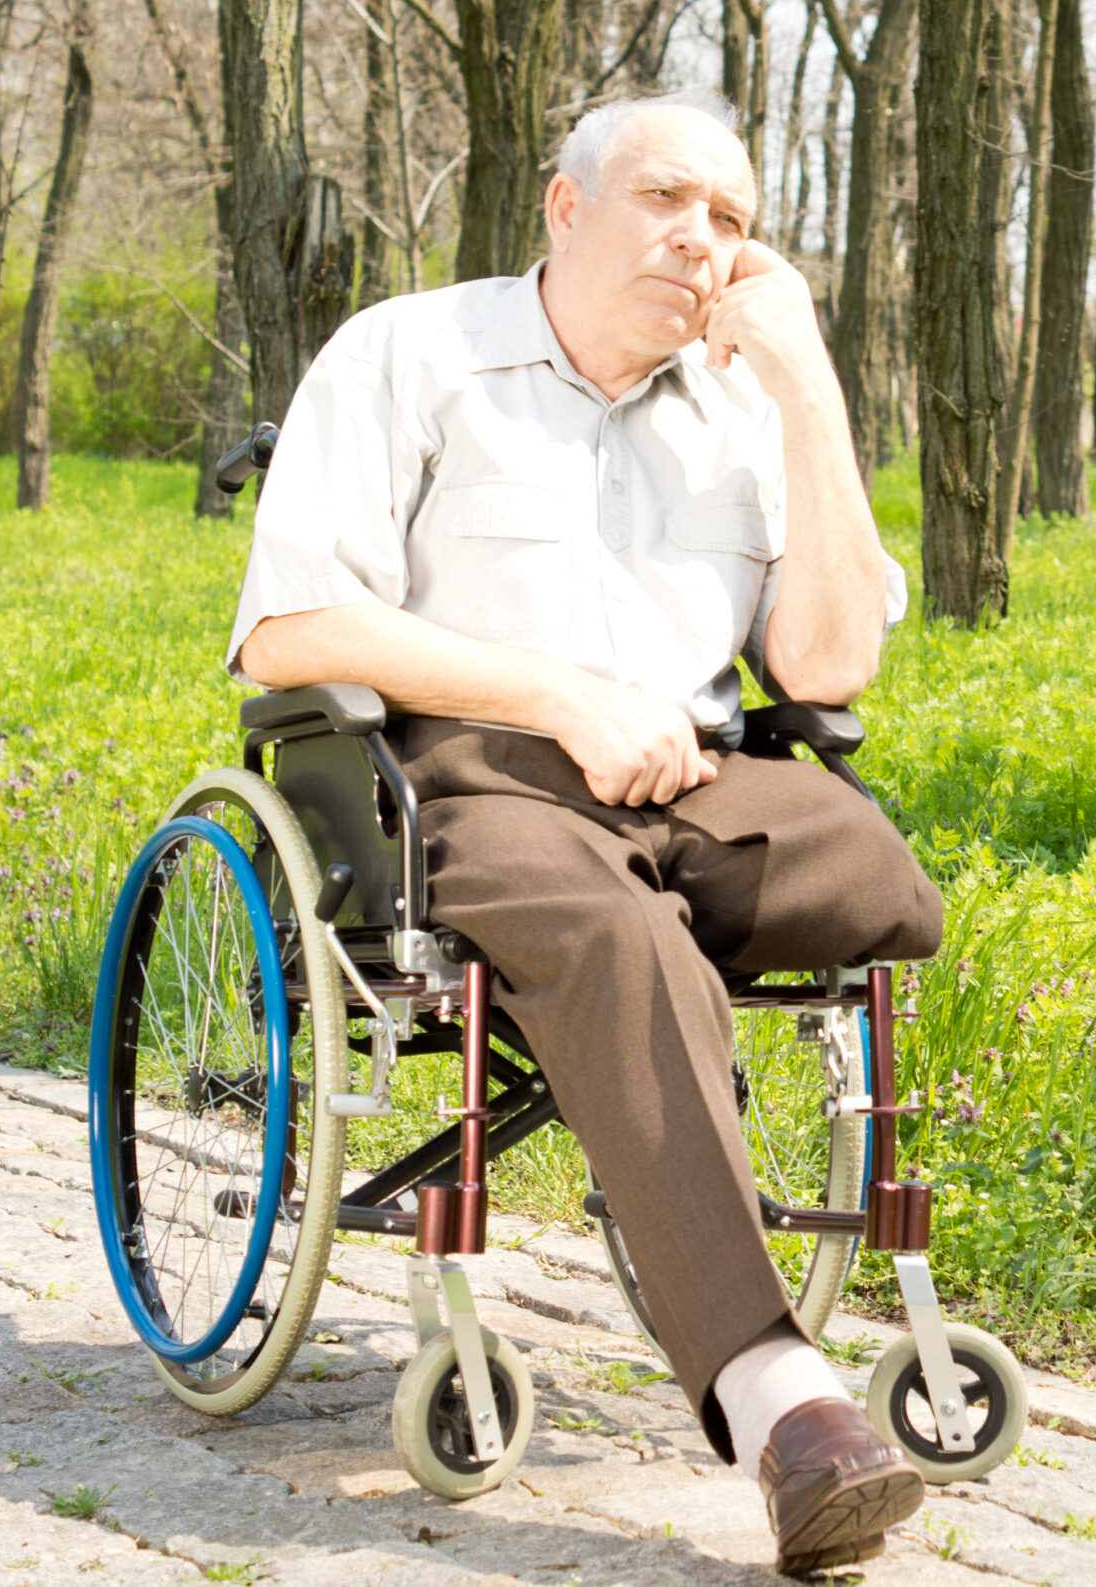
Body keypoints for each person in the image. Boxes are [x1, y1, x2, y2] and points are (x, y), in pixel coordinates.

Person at [226, 90, 939, 1576]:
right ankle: (782, 1397)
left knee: (874, 872)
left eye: (733, 221)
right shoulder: (411, 354)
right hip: (463, 775)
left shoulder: (744, 408)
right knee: (613, 936)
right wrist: (560, 698)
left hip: (687, 773)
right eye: (669, 200)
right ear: (566, 207)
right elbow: (293, 625)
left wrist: (808, 394)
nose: (701, 241)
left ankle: (650, 1051)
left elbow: (822, 670)